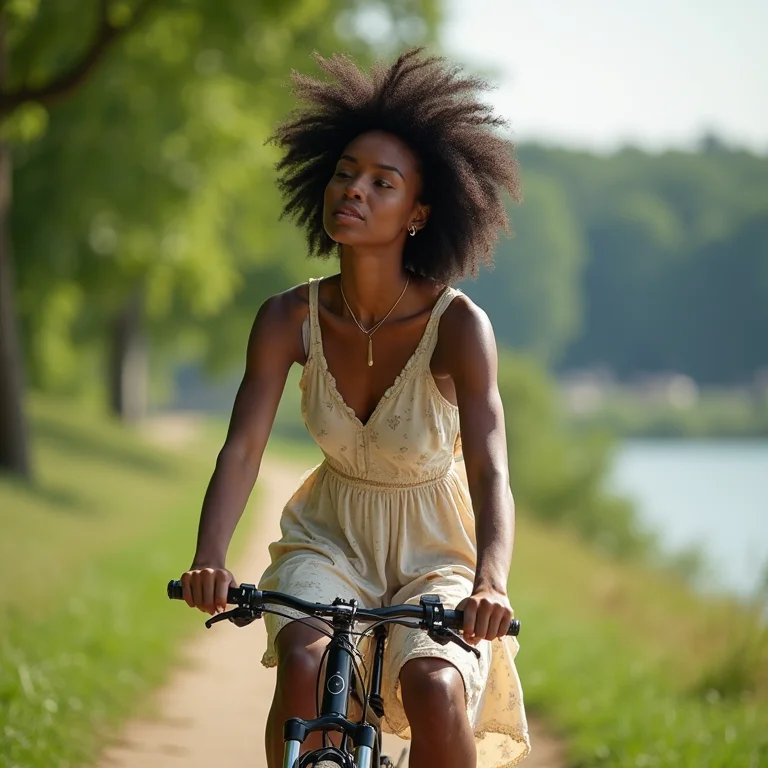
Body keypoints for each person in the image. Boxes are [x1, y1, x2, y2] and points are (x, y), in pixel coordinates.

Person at [180, 48, 531, 768]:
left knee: (435, 688)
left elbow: (491, 467)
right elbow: (242, 449)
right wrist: (209, 556)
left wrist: (491, 582)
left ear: (418, 213)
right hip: (329, 537)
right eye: (345, 173)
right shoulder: (286, 318)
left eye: (382, 182)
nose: (354, 190)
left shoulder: (460, 327)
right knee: (303, 665)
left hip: (436, 548)